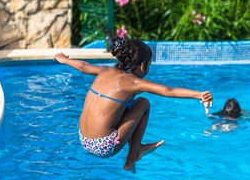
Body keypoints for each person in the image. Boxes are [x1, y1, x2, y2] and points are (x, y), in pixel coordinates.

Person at [54, 37, 213, 173]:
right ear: (141, 66)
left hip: (83, 139)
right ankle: (133, 157)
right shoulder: (134, 83)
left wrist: (64, 59)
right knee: (143, 103)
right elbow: (168, 90)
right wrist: (199, 94)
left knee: (126, 104)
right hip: (103, 146)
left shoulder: (103, 70)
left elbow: (82, 66)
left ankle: (137, 150)